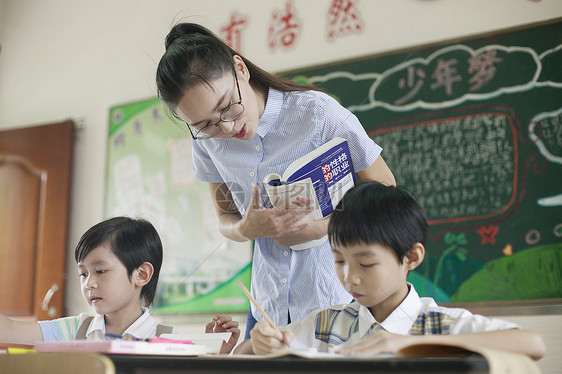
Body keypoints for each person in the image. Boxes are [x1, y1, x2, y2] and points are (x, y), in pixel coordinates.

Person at [156, 22, 396, 338]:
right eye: (206, 124)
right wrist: (246, 228)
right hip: (267, 310)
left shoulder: (317, 113)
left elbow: (387, 191)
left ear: (239, 68)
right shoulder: (208, 143)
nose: (226, 129)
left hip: (336, 303)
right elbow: (225, 218)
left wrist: (324, 227)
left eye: (228, 107)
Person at [234, 182, 546, 360]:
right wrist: (257, 343)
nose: (349, 277)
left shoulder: (438, 324)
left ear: (411, 257)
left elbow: (533, 345)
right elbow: (248, 352)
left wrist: (409, 345)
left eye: (366, 263)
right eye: (339, 260)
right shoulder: (328, 323)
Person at [0, 216, 240, 354]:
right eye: (83, 274)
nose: (89, 283)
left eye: (100, 271)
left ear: (141, 274)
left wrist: (214, 351)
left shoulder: (168, 340)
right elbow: (8, 330)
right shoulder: (75, 329)